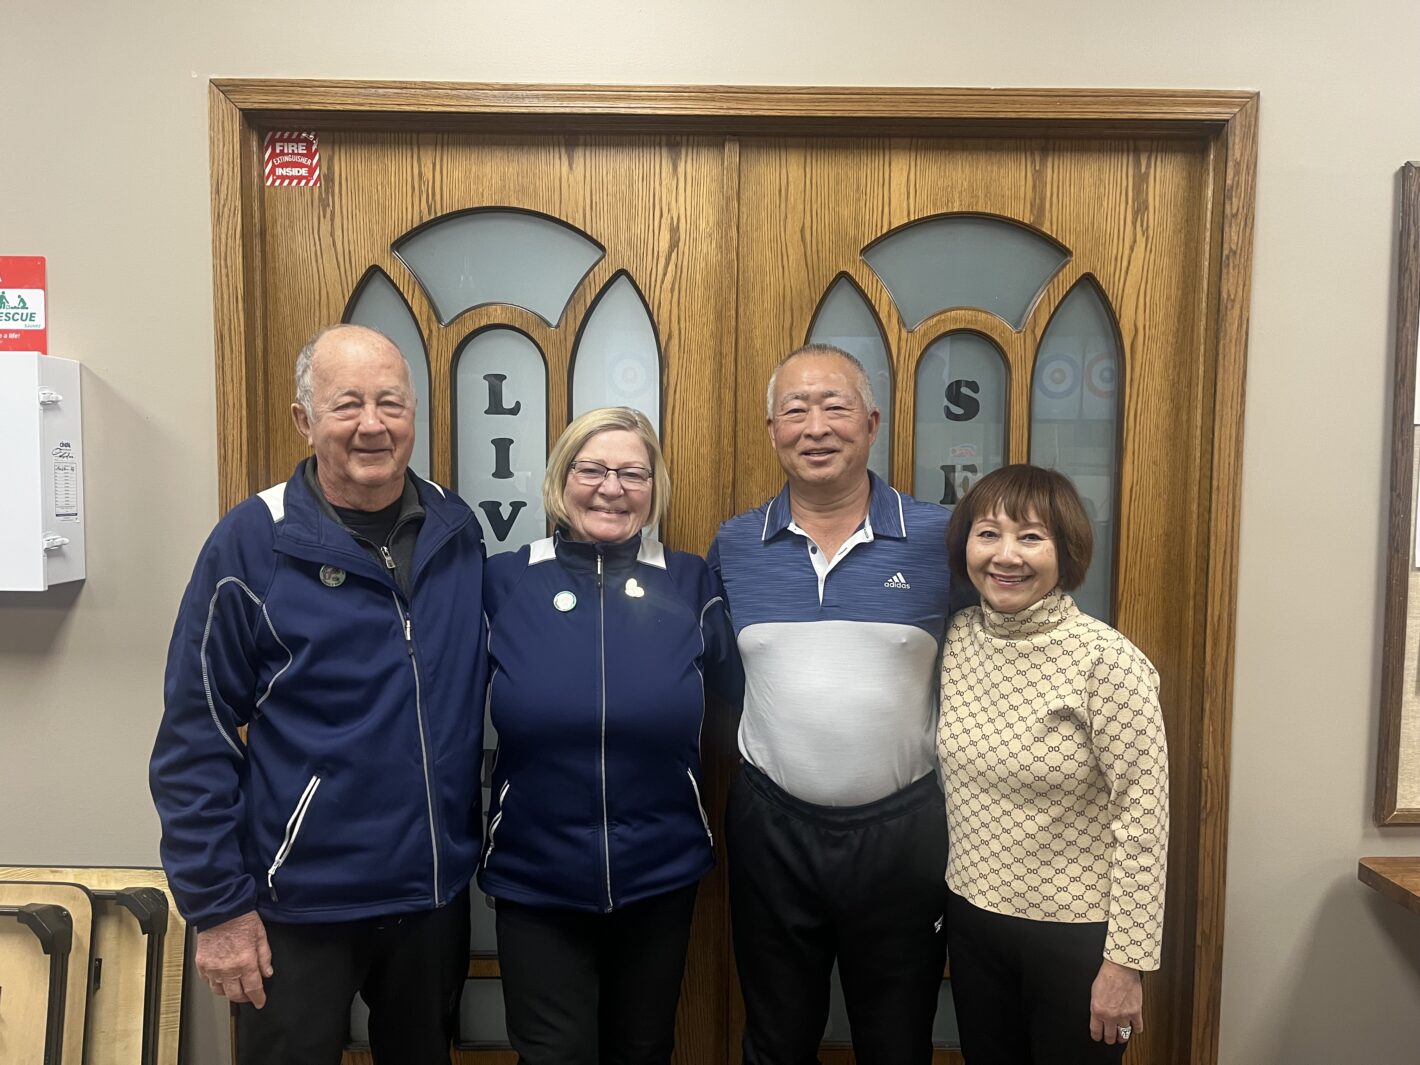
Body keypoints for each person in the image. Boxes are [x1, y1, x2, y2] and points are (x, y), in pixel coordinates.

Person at [150, 324, 486, 1065]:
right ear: (304, 420)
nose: (373, 424)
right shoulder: (252, 542)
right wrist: (219, 907)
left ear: (414, 413)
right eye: (347, 404)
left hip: (431, 896)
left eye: (391, 402)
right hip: (297, 905)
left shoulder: (455, 529)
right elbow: (194, 736)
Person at [708, 344, 962, 1064]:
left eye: (835, 406)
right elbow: (726, 678)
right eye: (795, 409)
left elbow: (981, 663)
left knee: (897, 1041)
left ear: (872, 423)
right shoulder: (736, 544)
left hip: (904, 833)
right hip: (771, 830)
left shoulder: (939, 539)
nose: (815, 426)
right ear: (772, 431)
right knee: (776, 1039)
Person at [479, 406, 738, 1065]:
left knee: (643, 1050)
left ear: (655, 488)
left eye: (633, 473)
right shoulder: (505, 580)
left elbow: (746, 702)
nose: (611, 488)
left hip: (660, 870)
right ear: (560, 480)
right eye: (591, 469)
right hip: (535, 875)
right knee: (553, 1056)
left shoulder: (691, 581)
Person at [938, 464, 1169, 1064]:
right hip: (972, 921)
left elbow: (1144, 822)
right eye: (988, 534)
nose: (1006, 555)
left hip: (1078, 936)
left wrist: (1126, 964)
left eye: (1031, 537)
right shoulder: (956, 639)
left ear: (1065, 552)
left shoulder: (1108, 662)